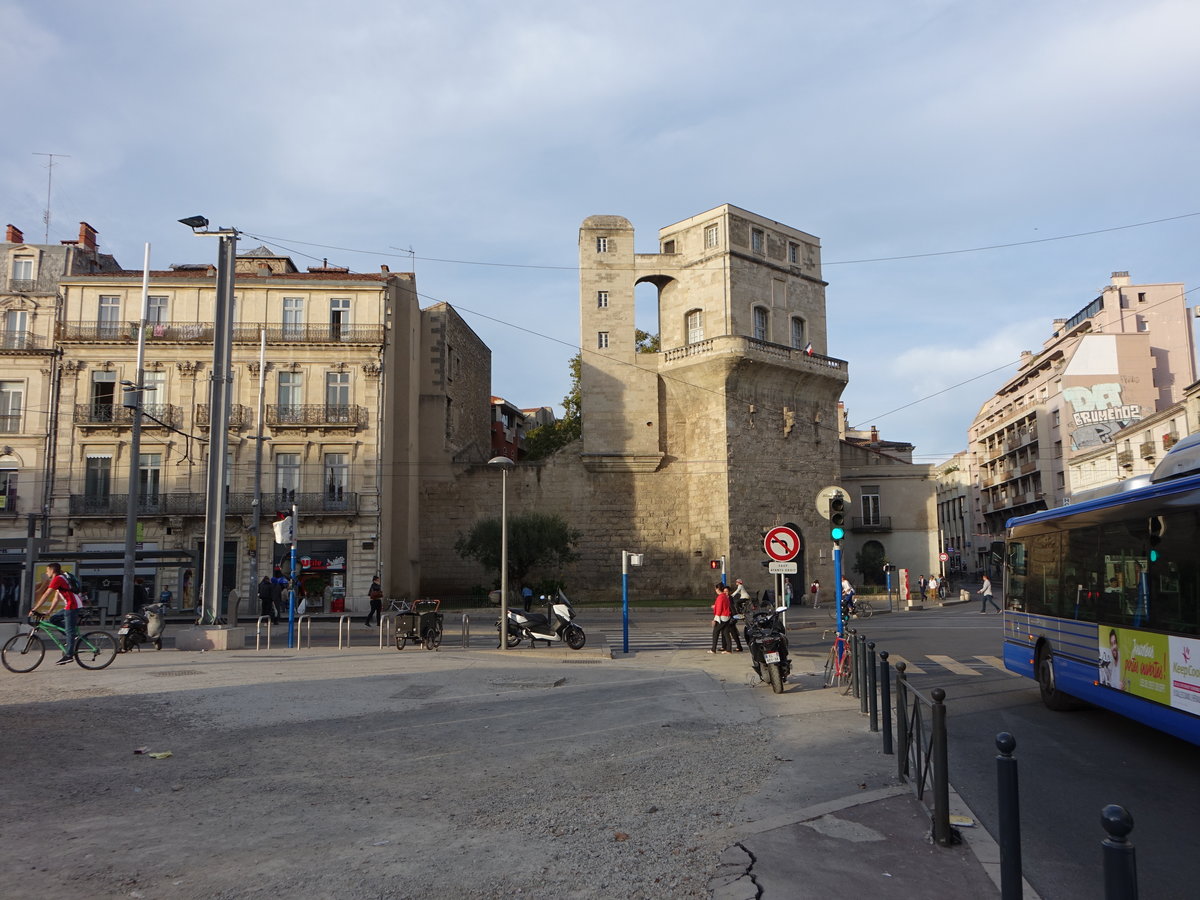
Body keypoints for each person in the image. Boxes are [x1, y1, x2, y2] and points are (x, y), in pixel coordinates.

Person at [29, 562, 81, 665]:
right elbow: (56, 598)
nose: (46, 572)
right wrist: (50, 611)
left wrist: (34, 609)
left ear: (52, 571)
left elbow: (46, 595)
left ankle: (69, 655)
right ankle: (71, 636)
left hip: (72, 606)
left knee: (70, 630)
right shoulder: (61, 578)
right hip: (71, 605)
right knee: (53, 619)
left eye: (47, 570)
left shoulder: (58, 579)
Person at [709, 583, 733, 654]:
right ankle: (729, 649)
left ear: (717, 589)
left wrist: (715, 619)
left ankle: (713, 649)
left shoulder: (720, 597)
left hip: (722, 617)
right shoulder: (725, 596)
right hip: (727, 616)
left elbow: (719, 609)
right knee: (726, 633)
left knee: (715, 632)